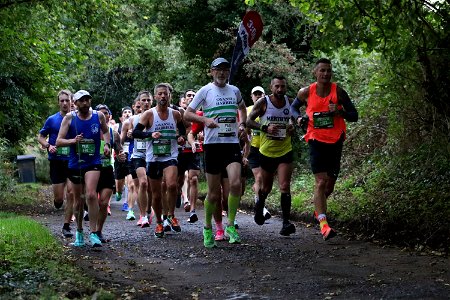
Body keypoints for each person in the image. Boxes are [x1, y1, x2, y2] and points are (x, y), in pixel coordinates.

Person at [290, 58, 358, 240]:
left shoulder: (339, 92)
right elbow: (293, 108)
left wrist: (340, 112)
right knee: (320, 182)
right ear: (315, 72)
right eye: (322, 70)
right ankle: (324, 225)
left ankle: (317, 211)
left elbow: (354, 115)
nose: (325, 74)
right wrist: (298, 119)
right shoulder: (306, 92)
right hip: (315, 139)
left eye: (328, 70)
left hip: (335, 140)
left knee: (329, 186)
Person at [184, 57, 247, 248]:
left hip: (231, 144)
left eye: (225, 70)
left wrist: (242, 124)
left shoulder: (234, 90)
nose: (222, 73)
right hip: (213, 146)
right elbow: (188, 114)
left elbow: (243, 108)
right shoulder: (205, 90)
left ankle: (230, 225)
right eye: (218, 70)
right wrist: (205, 121)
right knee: (213, 194)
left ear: (228, 72)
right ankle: (208, 227)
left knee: (235, 184)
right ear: (212, 72)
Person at [56, 90, 111, 247]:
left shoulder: (98, 116)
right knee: (79, 200)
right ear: (76, 103)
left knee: (92, 195)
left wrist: (107, 144)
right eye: (82, 100)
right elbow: (59, 141)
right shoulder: (69, 118)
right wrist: (73, 141)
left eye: (87, 100)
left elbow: (106, 131)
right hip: (75, 163)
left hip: (93, 161)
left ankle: (94, 233)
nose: (85, 103)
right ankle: (79, 232)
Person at [132, 83, 186, 238]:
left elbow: (182, 129)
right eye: (160, 94)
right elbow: (136, 132)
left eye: (166, 94)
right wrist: (150, 135)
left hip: (170, 155)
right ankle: (159, 222)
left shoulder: (175, 114)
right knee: (155, 195)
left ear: (170, 96)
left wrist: (181, 137)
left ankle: (170, 215)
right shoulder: (149, 114)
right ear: (155, 96)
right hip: (153, 157)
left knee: (172, 184)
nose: (163, 96)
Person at [247, 76, 296, 236]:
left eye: (282, 86)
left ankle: (286, 223)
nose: (280, 89)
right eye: (277, 86)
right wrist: (265, 128)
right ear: (271, 87)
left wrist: (293, 127)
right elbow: (249, 121)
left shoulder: (290, 102)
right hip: (267, 152)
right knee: (266, 188)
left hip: (285, 150)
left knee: (284, 186)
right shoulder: (263, 102)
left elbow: (297, 120)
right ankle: (259, 207)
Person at [38, 89, 75, 238]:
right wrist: (48, 145)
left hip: (72, 161)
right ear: (58, 102)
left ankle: (66, 225)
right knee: (59, 198)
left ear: (72, 101)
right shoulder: (52, 119)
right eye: (62, 100)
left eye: (67, 100)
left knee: (71, 193)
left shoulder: (76, 118)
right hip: (56, 161)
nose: (65, 103)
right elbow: (41, 137)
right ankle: (57, 202)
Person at [94, 104, 126, 242]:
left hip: (107, 170)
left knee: (104, 202)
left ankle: (98, 231)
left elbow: (119, 150)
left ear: (109, 116)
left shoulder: (114, 133)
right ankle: (90, 229)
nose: (103, 115)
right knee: (91, 201)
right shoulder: (91, 131)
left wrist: (121, 156)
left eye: (106, 113)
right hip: (91, 170)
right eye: (100, 113)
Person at [121, 91, 153, 227]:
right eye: (143, 101)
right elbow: (121, 141)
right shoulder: (132, 120)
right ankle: (143, 215)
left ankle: (149, 209)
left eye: (148, 100)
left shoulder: (156, 117)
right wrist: (128, 135)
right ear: (138, 103)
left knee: (151, 187)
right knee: (142, 184)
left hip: (153, 155)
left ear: (152, 101)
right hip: (137, 156)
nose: (145, 103)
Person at [245, 86, 271, 221]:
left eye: (260, 94)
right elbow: (244, 129)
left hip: (268, 148)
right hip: (253, 148)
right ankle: (261, 206)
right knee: (259, 177)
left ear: (264, 95)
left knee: (265, 181)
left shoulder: (269, 109)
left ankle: (258, 201)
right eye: (255, 94)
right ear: (251, 96)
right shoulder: (248, 110)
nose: (258, 96)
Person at [114, 106, 133, 211]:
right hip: (120, 155)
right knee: (119, 182)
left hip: (131, 156)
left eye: (129, 112)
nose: (127, 114)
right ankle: (118, 192)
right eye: (125, 112)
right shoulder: (117, 126)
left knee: (130, 183)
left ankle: (127, 204)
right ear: (121, 117)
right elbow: (115, 141)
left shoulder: (135, 124)